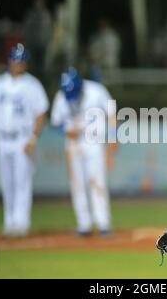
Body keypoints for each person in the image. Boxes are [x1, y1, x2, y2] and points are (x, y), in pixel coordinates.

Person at [0, 43, 49, 237]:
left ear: (25, 63)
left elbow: (41, 113)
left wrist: (33, 137)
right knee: (6, 183)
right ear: (9, 60)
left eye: (21, 60)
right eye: (15, 59)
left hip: (22, 138)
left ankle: (21, 223)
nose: (17, 63)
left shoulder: (32, 84)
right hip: (3, 139)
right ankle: (9, 222)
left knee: (22, 181)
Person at [51, 67, 117, 236]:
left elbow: (111, 113)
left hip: (94, 141)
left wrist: (113, 137)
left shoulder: (96, 90)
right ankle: (84, 224)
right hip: (73, 143)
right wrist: (66, 130)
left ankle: (103, 223)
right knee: (77, 184)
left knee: (97, 181)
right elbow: (56, 121)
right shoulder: (62, 96)